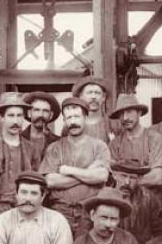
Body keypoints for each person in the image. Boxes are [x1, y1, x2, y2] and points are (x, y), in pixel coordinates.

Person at [40, 97, 110, 236]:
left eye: (77, 117)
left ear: (85, 118)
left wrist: (68, 170)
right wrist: (88, 172)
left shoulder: (99, 146)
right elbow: (50, 181)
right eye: (69, 118)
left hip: (90, 213)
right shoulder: (55, 148)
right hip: (60, 212)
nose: (73, 122)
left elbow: (102, 176)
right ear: (64, 121)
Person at [108, 93, 162, 236]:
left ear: (139, 112)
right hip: (123, 206)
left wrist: (126, 179)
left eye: (129, 112)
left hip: (150, 205)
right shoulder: (115, 144)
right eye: (121, 114)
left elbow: (157, 177)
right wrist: (138, 176)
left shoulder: (154, 138)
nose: (125, 118)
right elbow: (113, 177)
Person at [111, 159, 162, 244]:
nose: (127, 182)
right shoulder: (104, 198)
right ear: (114, 175)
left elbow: (161, 232)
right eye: (123, 176)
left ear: (139, 179)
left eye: (132, 178)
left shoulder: (150, 199)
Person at [65, 76, 113, 143]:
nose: (93, 97)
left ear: (103, 97)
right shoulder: (71, 124)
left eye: (97, 93)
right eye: (89, 92)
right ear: (80, 96)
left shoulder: (112, 125)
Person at [22, 91, 61, 159]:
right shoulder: (18, 139)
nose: (41, 115)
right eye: (36, 110)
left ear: (51, 115)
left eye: (45, 111)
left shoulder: (59, 142)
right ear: (29, 113)